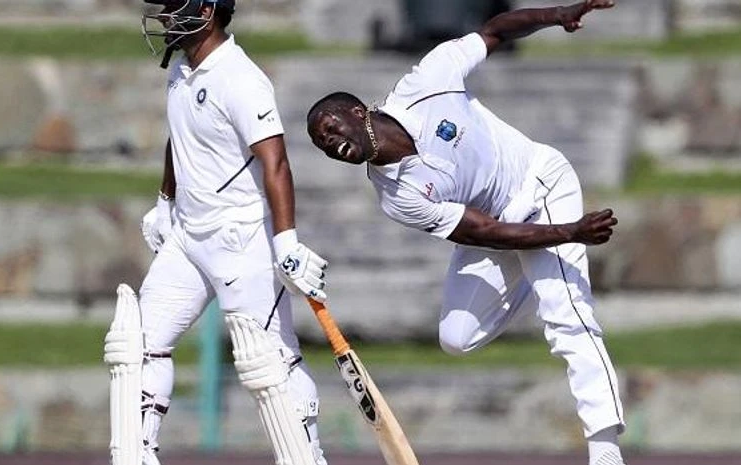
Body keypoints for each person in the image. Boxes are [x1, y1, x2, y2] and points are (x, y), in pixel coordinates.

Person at [306, 1, 627, 465]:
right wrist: (569, 233)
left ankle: (605, 449)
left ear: (357, 111)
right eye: (320, 144)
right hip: (494, 230)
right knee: (457, 337)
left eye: (330, 127)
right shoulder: (395, 197)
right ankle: (539, 272)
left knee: (567, 314)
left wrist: (557, 15)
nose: (330, 143)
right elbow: (487, 232)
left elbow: (495, 30)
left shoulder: (426, 82)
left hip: (540, 184)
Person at [135, 1, 330, 464]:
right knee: (136, 346)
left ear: (206, 10)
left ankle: (305, 458)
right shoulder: (181, 71)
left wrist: (286, 241)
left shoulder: (241, 79)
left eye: (173, 6)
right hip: (187, 236)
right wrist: (164, 203)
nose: (164, 16)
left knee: (269, 365)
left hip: (240, 239)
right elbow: (178, 139)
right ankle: (135, 456)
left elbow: (275, 162)